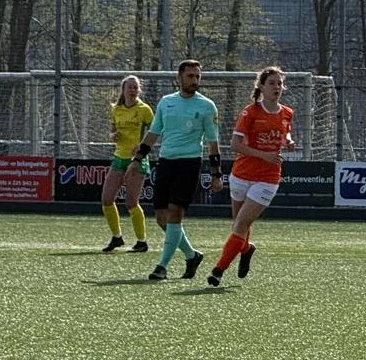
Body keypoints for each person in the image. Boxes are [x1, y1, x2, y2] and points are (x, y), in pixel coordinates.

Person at [132, 59, 223, 281]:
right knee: (161, 218)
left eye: (198, 76)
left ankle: (161, 266)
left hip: (189, 163)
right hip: (166, 162)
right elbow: (153, 133)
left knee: (175, 212)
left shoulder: (207, 106)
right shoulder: (166, 102)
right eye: (190, 76)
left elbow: (213, 143)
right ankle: (192, 255)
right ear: (179, 78)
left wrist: (216, 174)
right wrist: (138, 158)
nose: (195, 80)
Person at [205, 66, 296, 287]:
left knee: (242, 223)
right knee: (238, 225)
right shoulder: (250, 112)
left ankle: (218, 270)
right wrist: (264, 154)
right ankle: (246, 249)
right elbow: (235, 145)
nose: (277, 87)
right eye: (272, 83)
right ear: (261, 87)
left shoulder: (287, 112)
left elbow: (284, 133)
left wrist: (288, 141)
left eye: (279, 83)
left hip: (268, 177)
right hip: (241, 174)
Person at [101, 75, 154, 253]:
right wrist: (113, 136)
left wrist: (143, 146)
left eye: (135, 87)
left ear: (139, 90)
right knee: (107, 199)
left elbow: (156, 131)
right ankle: (117, 237)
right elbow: (112, 131)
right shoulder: (116, 109)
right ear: (123, 90)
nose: (132, 90)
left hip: (137, 160)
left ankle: (141, 241)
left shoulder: (144, 110)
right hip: (119, 158)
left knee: (131, 202)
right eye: (129, 87)